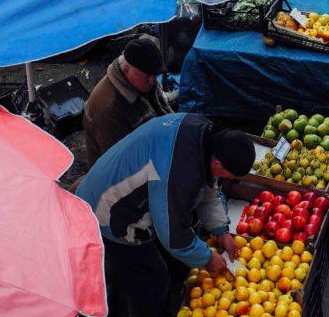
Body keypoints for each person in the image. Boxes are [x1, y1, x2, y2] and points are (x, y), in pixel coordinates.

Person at [77, 114, 256, 317]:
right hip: (108, 212)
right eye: (230, 176)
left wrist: (221, 230)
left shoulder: (204, 135)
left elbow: (207, 188)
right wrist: (207, 258)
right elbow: (174, 236)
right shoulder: (179, 172)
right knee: (151, 282)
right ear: (217, 164)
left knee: (150, 268)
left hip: (120, 188)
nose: (229, 180)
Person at [83, 36, 171, 167]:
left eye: (155, 75)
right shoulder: (108, 108)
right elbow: (120, 162)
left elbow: (163, 110)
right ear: (126, 71)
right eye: (147, 76)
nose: (153, 81)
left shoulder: (143, 81)